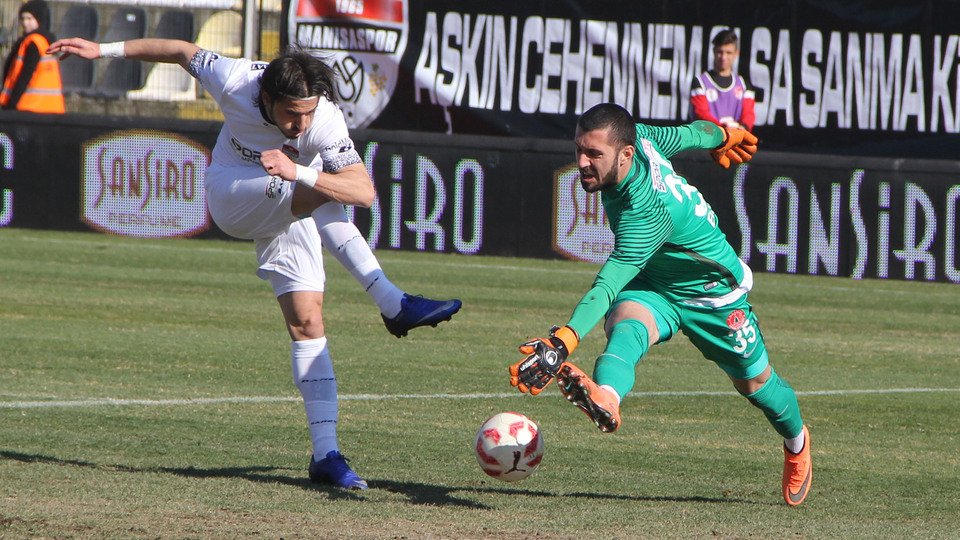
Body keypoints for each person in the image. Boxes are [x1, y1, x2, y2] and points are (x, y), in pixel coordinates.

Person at [48, 36, 462, 489]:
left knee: (307, 322)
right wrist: (103, 50)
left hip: (289, 196)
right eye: (291, 113)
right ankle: (392, 301)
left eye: (308, 112)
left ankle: (326, 456)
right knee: (317, 189)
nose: (300, 124)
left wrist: (300, 170)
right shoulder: (234, 79)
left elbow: (363, 191)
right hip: (233, 195)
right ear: (265, 98)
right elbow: (179, 50)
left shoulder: (321, 117)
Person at [509, 103, 812, 506]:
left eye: (593, 154)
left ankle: (797, 443)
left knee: (756, 385)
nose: (582, 162)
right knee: (625, 322)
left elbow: (607, 282)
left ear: (625, 154)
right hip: (655, 280)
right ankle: (607, 398)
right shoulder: (643, 137)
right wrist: (723, 136)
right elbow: (692, 133)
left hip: (711, 293)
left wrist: (563, 340)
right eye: (579, 149)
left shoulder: (644, 213)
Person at [1, 0, 64, 112]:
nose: (25, 23)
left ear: (39, 20)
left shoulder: (33, 42)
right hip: (50, 108)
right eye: (23, 19)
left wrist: (11, 104)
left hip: (28, 106)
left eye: (30, 19)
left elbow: (25, 75)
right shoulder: (45, 41)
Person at [690, 28, 754, 131]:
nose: (723, 57)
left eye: (728, 53)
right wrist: (724, 129)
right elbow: (701, 113)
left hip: (734, 143)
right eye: (720, 52)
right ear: (714, 51)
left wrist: (742, 129)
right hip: (708, 143)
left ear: (736, 53)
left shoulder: (744, 85)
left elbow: (748, 114)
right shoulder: (700, 82)